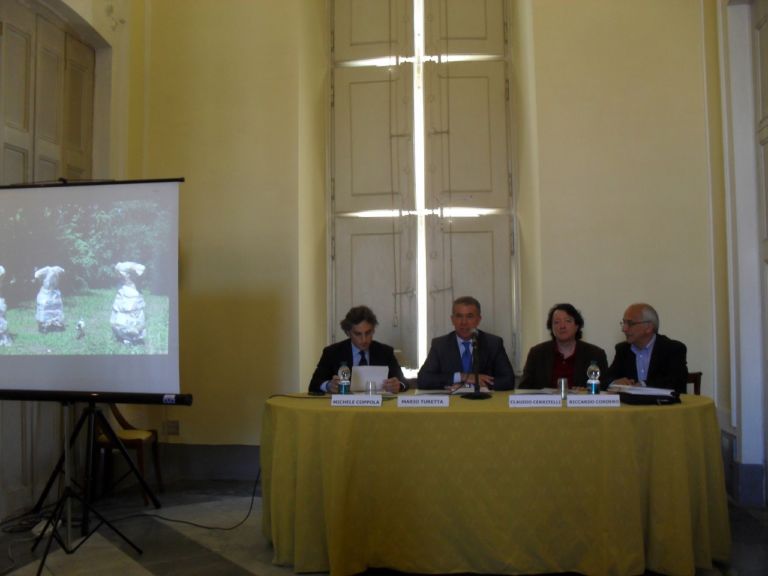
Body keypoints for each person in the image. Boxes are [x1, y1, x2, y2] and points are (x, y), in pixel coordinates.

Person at [417, 296, 515, 391]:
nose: (464, 322)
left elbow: (508, 380)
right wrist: (461, 377)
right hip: (452, 405)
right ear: (452, 320)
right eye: (459, 316)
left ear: (478, 320)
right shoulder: (440, 345)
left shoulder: (493, 343)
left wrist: (473, 385)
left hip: (483, 404)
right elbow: (423, 380)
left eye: (470, 316)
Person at [308, 305, 407, 394]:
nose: (364, 339)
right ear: (348, 332)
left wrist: (398, 385)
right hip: (344, 409)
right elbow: (314, 384)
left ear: (373, 330)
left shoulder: (385, 352)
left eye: (368, 333)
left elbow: (403, 382)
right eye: (358, 334)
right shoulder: (332, 353)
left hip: (378, 408)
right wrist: (329, 386)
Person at [517, 303, 608, 390]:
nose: (562, 326)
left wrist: (586, 392)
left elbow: (604, 388)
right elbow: (523, 388)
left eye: (568, 321)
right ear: (551, 328)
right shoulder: (537, 353)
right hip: (546, 405)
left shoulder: (595, 354)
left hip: (581, 405)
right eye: (556, 322)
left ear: (577, 326)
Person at [606, 302, 688, 393]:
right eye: (623, 323)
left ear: (648, 327)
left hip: (663, 406)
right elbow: (605, 379)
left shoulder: (673, 349)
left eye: (630, 323)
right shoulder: (623, 349)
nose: (624, 329)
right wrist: (614, 382)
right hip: (632, 406)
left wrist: (643, 385)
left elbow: (677, 382)